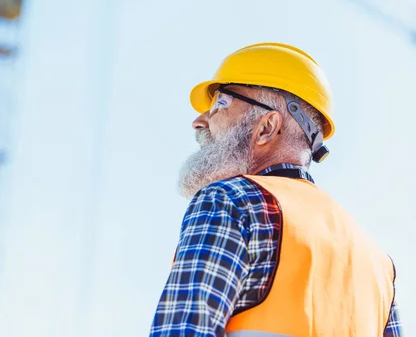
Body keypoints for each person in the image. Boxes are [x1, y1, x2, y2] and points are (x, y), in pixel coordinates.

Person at [149, 42, 402, 336]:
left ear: (267, 127)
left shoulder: (232, 202)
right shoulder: (379, 266)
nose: (199, 121)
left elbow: (182, 331)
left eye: (219, 103)